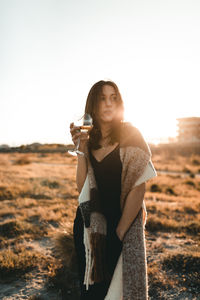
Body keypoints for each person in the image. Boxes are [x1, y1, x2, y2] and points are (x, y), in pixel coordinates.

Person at [70, 80, 157, 300]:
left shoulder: (131, 134)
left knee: (121, 291)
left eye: (113, 97)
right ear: (93, 104)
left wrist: (119, 233)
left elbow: (139, 187)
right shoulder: (89, 139)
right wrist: (81, 149)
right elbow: (82, 188)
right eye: (102, 98)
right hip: (90, 228)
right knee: (92, 293)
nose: (109, 104)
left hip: (122, 225)